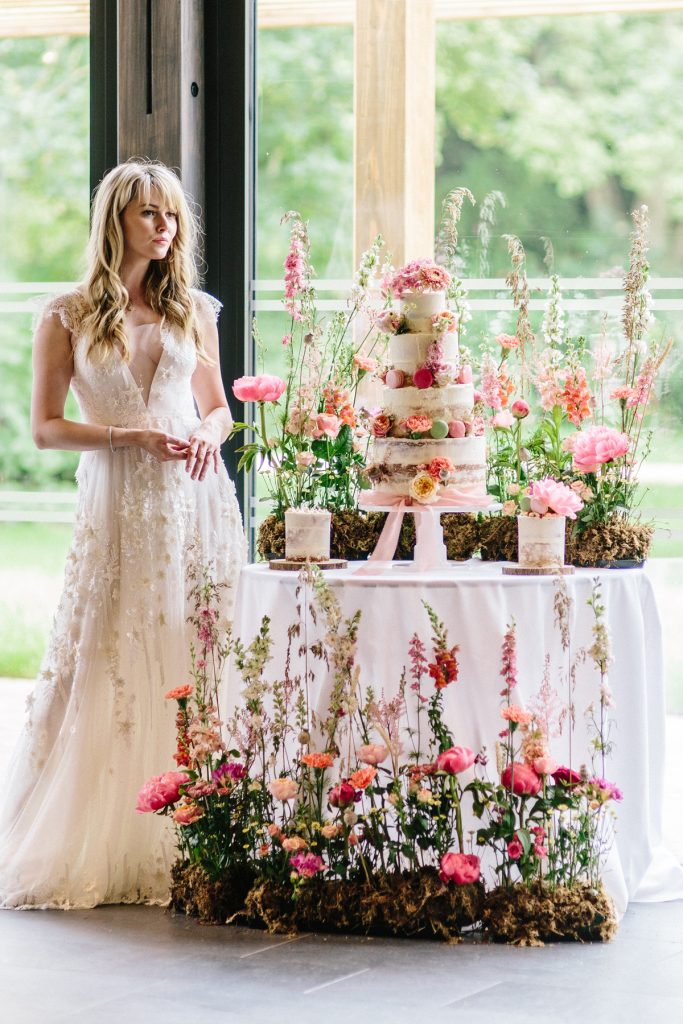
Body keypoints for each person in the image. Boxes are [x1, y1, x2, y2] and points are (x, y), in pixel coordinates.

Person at [0, 159, 247, 909]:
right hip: (117, 498)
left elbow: (219, 407)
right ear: (117, 222)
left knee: (194, 637)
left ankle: (202, 831)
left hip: (192, 496)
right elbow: (45, 430)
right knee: (112, 641)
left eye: (171, 214)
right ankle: (110, 831)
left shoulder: (191, 311)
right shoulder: (67, 314)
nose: (164, 227)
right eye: (148, 214)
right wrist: (127, 439)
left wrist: (206, 433)